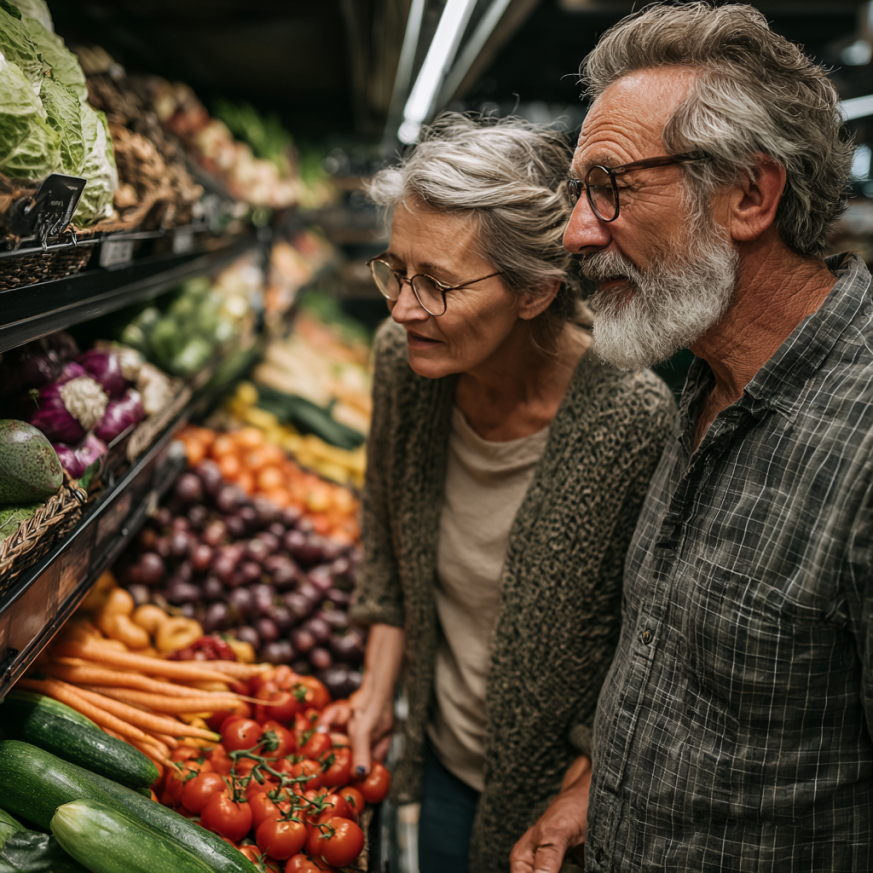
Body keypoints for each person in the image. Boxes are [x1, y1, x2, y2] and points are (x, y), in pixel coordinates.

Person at [511, 3, 873, 872]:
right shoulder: (706, 371)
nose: (575, 232)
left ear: (749, 194)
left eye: (611, 187)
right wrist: (593, 790)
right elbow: (691, 673)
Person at [338, 113, 675, 873]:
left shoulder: (630, 419)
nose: (401, 308)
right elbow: (387, 538)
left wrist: (585, 781)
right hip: (439, 763)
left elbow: (644, 637)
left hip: (559, 796)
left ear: (534, 292)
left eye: (438, 285)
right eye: (395, 270)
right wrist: (375, 690)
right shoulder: (402, 361)